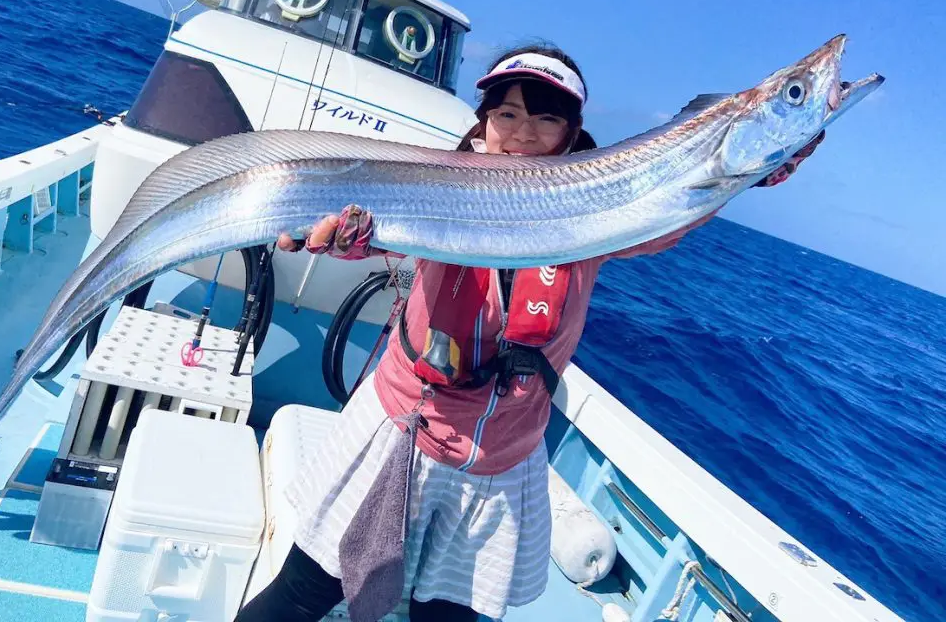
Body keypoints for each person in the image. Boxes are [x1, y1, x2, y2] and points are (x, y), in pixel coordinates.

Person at [235, 44, 823, 622]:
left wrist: (768, 162)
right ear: (483, 124)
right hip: (401, 432)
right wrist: (337, 234)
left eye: (546, 118)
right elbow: (371, 228)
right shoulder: (430, 185)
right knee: (302, 593)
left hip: (502, 463)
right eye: (507, 114)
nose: (522, 133)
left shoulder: (596, 213)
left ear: (571, 134)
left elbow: (682, 197)